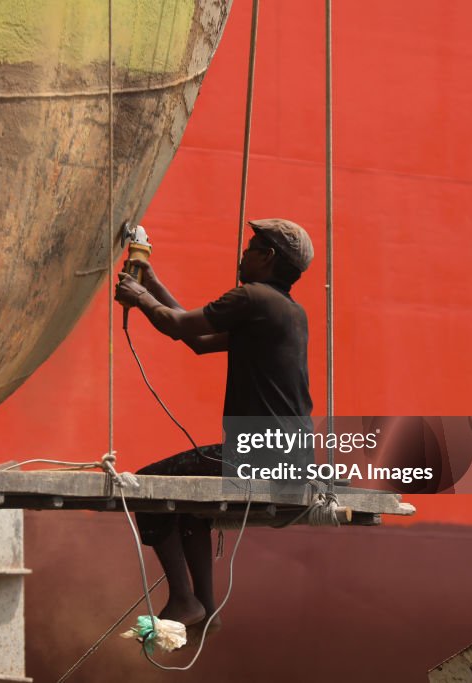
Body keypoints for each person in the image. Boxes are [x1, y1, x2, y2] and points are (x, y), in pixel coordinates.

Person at [113, 218, 315, 631]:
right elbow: (199, 339)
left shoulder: (252, 298)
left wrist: (137, 297)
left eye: (251, 246)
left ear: (268, 257)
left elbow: (177, 327)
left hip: (259, 455)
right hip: (292, 455)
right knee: (191, 512)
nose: (243, 253)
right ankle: (203, 607)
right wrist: (150, 284)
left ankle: (186, 598)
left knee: (148, 484)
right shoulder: (289, 311)